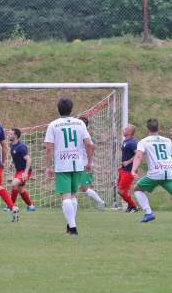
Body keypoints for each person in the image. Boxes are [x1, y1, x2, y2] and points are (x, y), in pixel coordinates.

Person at [44, 98, 93, 235]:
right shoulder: (80, 123)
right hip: (77, 164)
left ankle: (73, 228)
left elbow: (49, 148)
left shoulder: (53, 125)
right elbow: (89, 144)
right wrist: (89, 161)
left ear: (58, 109)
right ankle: (70, 226)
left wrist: (48, 166)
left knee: (66, 196)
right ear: (71, 109)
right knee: (72, 195)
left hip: (62, 164)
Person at [132, 119, 172, 222]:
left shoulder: (143, 141)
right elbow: (169, 156)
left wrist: (133, 170)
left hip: (155, 173)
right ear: (158, 129)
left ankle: (148, 213)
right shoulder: (167, 141)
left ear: (147, 129)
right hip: (170, 172)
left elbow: (138, 156)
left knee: (137, 189)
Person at [77, 117, 105, 209]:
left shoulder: (84, 135)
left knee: (85, 188)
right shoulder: (81, 134)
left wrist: (89, 161)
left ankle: (101, 202)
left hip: (84, 165)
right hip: (80, 164)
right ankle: (71, 204)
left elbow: (91, 146)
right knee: (80, 187)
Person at [6, 128, 36, 212]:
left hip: (24, 171)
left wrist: (26, 173)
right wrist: (11, 163)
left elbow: (28, 159)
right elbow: (15, 156)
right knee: (20, 189)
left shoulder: (21, 147)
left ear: (15, 136)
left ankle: (10, 206)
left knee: (14, 184)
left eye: (11, 134)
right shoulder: (12, 145)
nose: (9, 135)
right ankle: (31, 206)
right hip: (18, 171)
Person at [118, 124, 138, 212]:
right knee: (122, 190)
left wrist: (128, 162)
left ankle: (133, 206)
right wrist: (122, 165)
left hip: (129, 171)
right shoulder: (126, 141)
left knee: (121, 191)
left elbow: (138, 154)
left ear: (129, 132)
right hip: (123, 169)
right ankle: (131, 206)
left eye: (125, 129)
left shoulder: (132, 143)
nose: (123, 130)